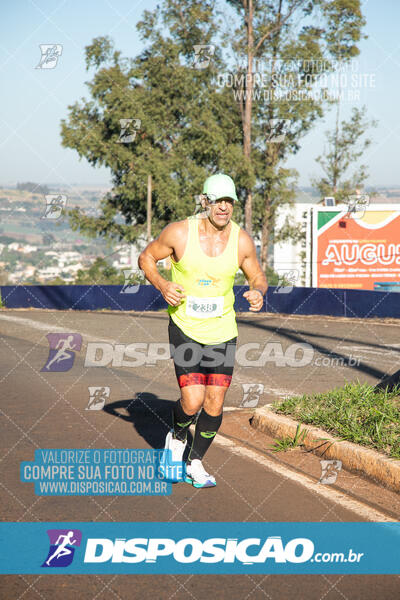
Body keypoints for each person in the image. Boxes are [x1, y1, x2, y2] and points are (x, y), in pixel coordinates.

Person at [139, 173, 267, 488]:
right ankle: (177, 435)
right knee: (193, 400)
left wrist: (258, 291)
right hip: (185, 328)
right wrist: (163, 284)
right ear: (204, 201)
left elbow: (257, 275)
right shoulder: (180, 233)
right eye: (218, 200)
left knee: (214, 402)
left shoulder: (241, 240)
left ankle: (195, 462)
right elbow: (147, 258)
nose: (224, 207)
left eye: (229, 201)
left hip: (223, 330)